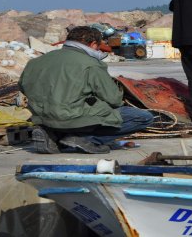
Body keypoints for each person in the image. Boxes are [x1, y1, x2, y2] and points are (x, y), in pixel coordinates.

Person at [19, 26, 154, 154]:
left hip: (42, 116)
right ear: (93, 44)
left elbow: (23, 87)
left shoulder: (36, 62)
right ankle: (86, 140)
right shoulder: (91, 64)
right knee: (143, 117)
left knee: (69, 112)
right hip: (72, 117)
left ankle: (53, 135)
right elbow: (114, 99)